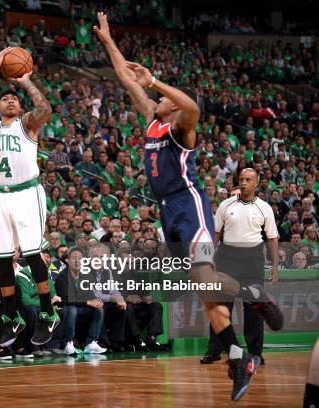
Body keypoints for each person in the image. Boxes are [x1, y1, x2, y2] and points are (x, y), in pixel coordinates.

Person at [94, 13, 283, 400]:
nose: (158, 99)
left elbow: (192, 105)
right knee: (204, 293)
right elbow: (127, 79)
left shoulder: (183, 128)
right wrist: (110, 42)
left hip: (189, 204)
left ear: (173, 107)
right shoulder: (151, 119)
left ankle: (253, 294)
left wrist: (158, 81)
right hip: (167, 210)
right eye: (159, 97)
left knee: (201, 277)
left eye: (164, 98)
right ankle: (237, 355)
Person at [0, 47, 59, 348]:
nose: (9, 100)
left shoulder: (28, 124)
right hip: (0, 197)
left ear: (20, 108)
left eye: (14, 99)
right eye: (5, 98)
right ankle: (12, 317)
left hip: (26, 192)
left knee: (32, 253)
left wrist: (26, 82)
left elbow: (45, 109)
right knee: (3, 259)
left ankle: (48, 312)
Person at [201, 168, 279, 366]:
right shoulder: (225, 205)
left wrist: (275, 266)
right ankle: (215, 350)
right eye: (241, 179)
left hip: (253, 260)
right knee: (221, 306)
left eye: (248, 179)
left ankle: (255, 353)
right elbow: (215, 235)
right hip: (227, 259)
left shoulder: (264, 207)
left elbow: (271, 238)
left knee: (254, 309)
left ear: (257, 182)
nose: (243, 182)